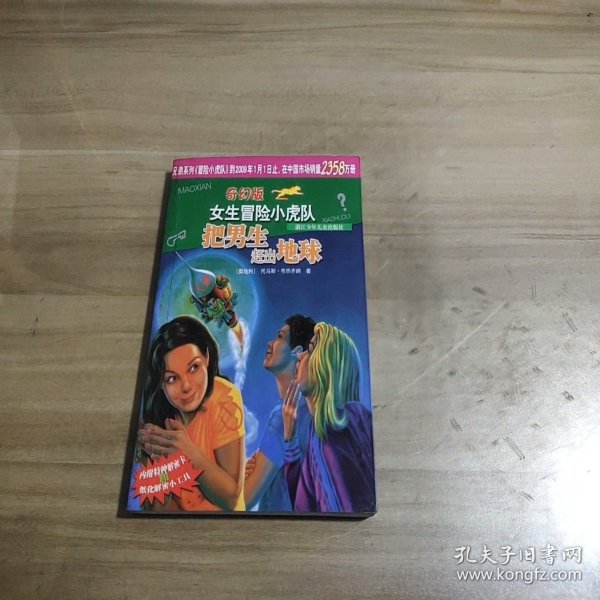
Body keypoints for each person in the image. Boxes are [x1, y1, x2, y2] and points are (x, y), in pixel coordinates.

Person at [137, 315, 245, 511]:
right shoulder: (157, 419)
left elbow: (231, 499)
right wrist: (162, 469)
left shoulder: (225, 397)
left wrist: (187, 453)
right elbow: (155, 510)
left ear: (207, 358)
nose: (186, 386)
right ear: (161, 384)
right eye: (172, 379)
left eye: (194, 368)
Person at [283, 322, 376, 513]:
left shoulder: (335, 428)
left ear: (327, 366)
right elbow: (303, 506)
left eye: (310, 350)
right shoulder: (320, 432)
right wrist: (289, 439)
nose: (299, 356)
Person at [244, 315, 315, 511]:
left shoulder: (285, 416)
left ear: (297, 352)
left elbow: (244, 500)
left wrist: (240, 479)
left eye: (280, 337)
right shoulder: (310, 409)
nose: (270, 343)